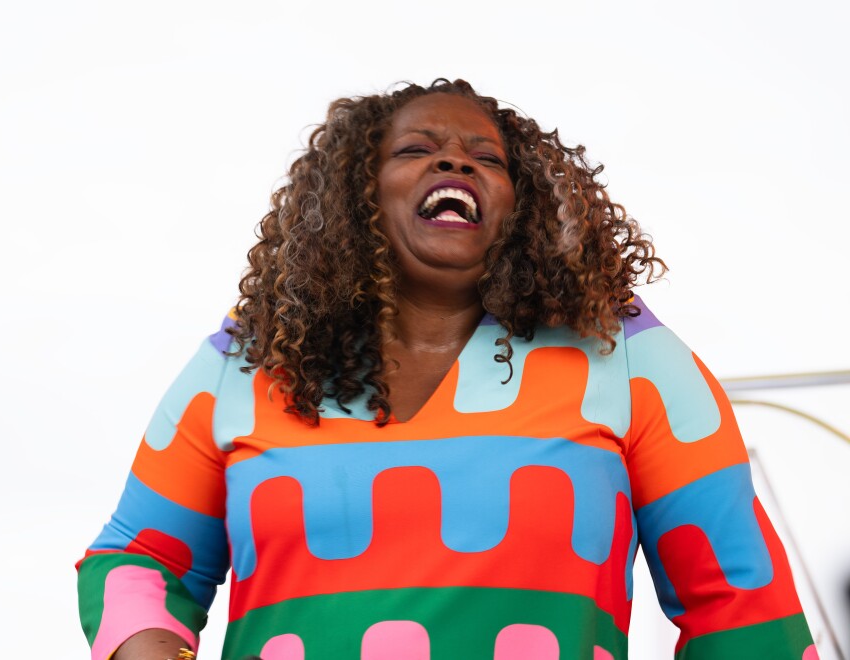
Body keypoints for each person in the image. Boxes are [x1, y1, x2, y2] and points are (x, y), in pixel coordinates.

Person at [77, 79, 816, 659]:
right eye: (414, 150)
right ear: (355, 197)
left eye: (486, 157)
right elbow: (139, 560)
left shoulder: (624, 353)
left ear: (520, 206)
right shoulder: (244, 361)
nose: (456, 160)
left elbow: (742, 602)